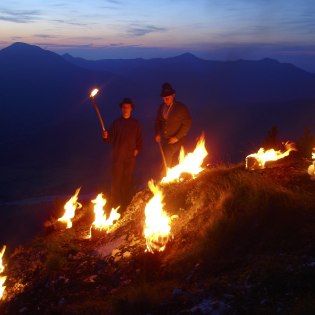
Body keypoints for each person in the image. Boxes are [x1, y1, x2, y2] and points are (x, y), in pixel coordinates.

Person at [103, 98, 142, 210]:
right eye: (124, 107)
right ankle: (115, 206)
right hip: (118, 158)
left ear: (131, 109)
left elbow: (139, 140)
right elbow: (109, 139)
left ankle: (126, 206)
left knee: (127, 183)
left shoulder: (136, 124)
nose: (126, 109)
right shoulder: (116, 123)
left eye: (128, 107)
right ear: (121, 109)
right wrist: (106, 136)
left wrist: (137, 149)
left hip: (130, 159)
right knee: (116, 183)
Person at [155, 82, 192, 176]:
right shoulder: (161, 107)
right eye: (164, 97)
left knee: (167, 155)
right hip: (164, 140)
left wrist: (177, 137)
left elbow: (187, 124)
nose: (165, 99)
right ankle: (169, 179)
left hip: (177, 140)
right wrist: (157, 133)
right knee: (166, 158)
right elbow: (157, 121)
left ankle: (163, 179)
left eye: (168, 97)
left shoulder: (181, 108)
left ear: (173, 95)